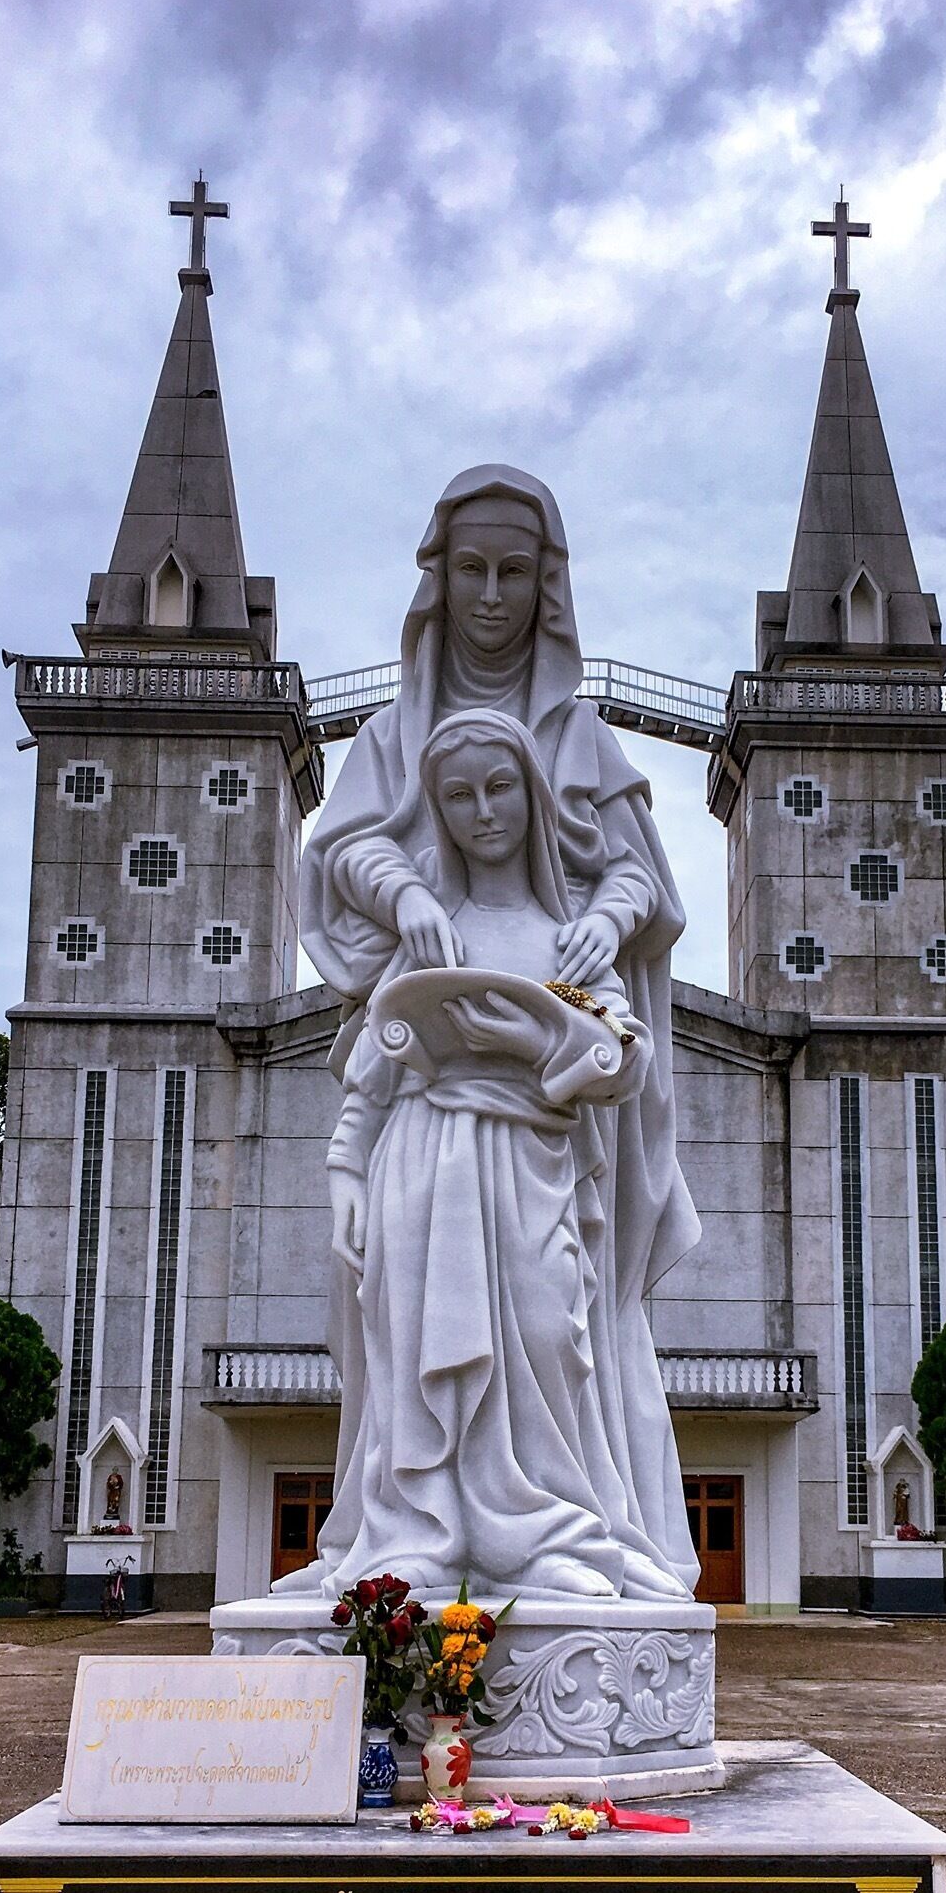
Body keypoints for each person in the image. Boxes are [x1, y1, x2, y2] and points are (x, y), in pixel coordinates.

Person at [298, 466, 699, 1596]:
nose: (489, 595)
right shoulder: (390, 738)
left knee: (553, 1330)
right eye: (469, 569)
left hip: (541, 1143)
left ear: (547, 586)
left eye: (513, 572)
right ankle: (406, 1534)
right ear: (438, 580)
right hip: (425, 1138)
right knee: (408, 1332)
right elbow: (343, 861)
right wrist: (411, 901)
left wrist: (595, 935)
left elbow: (639, 887)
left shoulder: (580, 742)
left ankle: (560, 1523)